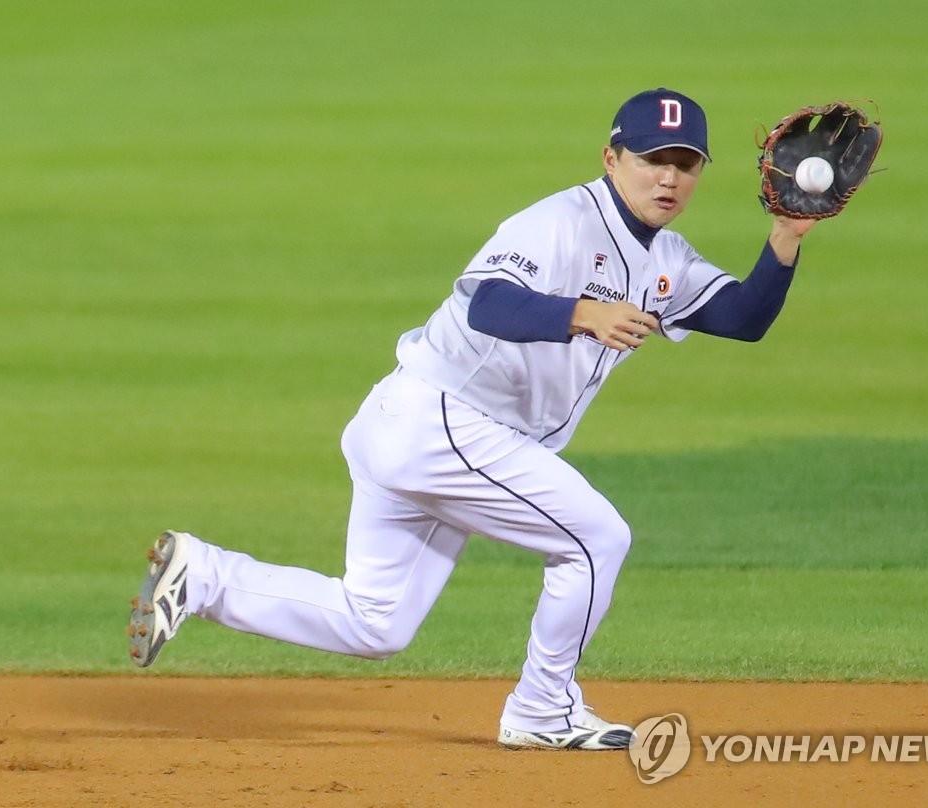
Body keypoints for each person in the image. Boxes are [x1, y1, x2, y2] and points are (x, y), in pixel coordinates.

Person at [128, 87, 815, 751]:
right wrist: (582, 311)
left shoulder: (667, 261)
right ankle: (543, 708)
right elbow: (488, 302)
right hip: (445, 420)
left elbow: (744, 317)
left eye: (685, 164)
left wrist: (786, 234)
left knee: (376, 621)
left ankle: (204, 573)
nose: (668, 177)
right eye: (652, 159)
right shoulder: (560, 222)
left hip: (423, 431)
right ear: (611, 158)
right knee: (594, 539)